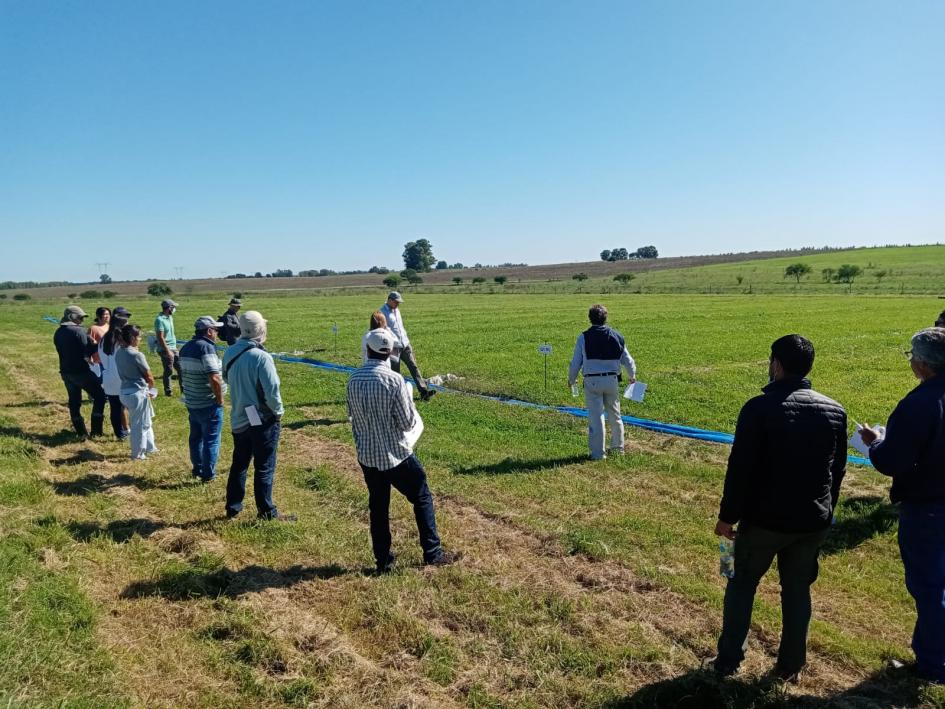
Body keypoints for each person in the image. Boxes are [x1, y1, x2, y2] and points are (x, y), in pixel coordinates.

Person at [709, 334, 847, 681]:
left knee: (740, 584)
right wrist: (827, 511)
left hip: (765, 521)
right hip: (813, 521)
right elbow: (837, 470)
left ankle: (728, 660)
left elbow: (740, 468)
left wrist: (727, 518)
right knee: (797, 590)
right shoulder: (835, 410)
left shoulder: (759, 408)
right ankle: (790, 665)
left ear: (776, 365)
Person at [859, 327, 945, 684]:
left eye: (911, 355)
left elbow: (892, 461)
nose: (910, 361)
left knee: (929, 587)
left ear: (923, 364)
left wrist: (876, 443)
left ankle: (933, 665)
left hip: (928, 508)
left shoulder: (918, 404)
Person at [347, 329, 458, 573]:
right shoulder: (395, 381)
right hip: (395, 455)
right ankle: (432, 552)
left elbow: (352, 417)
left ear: (368, 350)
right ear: (391, 353)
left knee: (378, 507)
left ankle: (383, 561)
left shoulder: (353, 378)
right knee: (421, 496)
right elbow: (408, 422)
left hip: (367, 455)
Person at [222, 311, 293, 521]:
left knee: (239, 464)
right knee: (264, 466)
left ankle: (233, 507)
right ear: (260, 330)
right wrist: (278, 413)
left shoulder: (230, 352)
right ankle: (266, 511)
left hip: (238, 418)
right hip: (263, 420)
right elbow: (272, 391)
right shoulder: (262, 357)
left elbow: (225, 376)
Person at [567, 304, 637, 459]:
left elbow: (576, 362)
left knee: (596, 416)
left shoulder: (583, 337)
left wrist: (571, 379)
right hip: (612, 379)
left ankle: (598, 453)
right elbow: (628, 360)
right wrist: (632, 376)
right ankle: (618, 448)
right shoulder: (617, 336)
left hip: (592, 381)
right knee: (615, 415)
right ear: (606, 318)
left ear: (589, 318)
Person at [180, 317, 227, 482]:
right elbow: (214, 377)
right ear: (208, 331)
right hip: (208, 402)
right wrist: (220, 399)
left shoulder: (186, 347)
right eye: (215, 330)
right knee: (211, 439)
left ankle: (197, 468)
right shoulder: (206, 348)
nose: (217, 333)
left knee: (196, 437)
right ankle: (208, 474)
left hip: (192, 401)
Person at [53, 305, 107, 438]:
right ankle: (96, 431)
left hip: (66, 372)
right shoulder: (79, 331)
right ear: (72, 317)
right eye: (80, 317)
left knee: (74, 401)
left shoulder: (58, 332)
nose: (82, 320)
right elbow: (86, 350)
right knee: (100, 396)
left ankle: (81, 432)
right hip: (81, 371)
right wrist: (93, 344)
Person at [379, 291, 435, 401]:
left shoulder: (397, 310)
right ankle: (397, 396)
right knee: (396, 372)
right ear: (390, 300)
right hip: (394, 347)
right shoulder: (382, 313)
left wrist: (406, 340)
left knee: (413, 366)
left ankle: (423, 392)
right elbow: (383, 330)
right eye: (396, 302)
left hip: (405, 344)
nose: (398, 304)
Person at [115, 324, 159, 460]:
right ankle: (138, 454)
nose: (140, 339)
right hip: (137, 393)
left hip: (125, 391)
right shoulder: (137, 354)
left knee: (146, 421)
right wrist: (152, 389)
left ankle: (151, 447)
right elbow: (149, 376)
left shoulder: (119, 352)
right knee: (138, 426)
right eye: (139, 336)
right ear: (133, 338)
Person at [98, 313, 130, 439]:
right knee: (126, 406)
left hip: (108, 377)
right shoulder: (121, 340)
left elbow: (102, 358)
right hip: (121, 377)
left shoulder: (104, 339)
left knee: (115, 408)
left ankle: (119, 433)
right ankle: (127, 429)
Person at [154, 299, 182, 396]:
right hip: (165, 349)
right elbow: (160, 337)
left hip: (173, 348)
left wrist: (174, 348)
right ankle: (168, 391)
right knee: (169, 370)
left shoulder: (170, 317)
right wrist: (168, 351)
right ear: (169, 308)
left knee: (180, 368)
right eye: (173, 307)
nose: (174, 309)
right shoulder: (159, 320)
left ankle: (184, 390)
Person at [88, 307, 111, 375]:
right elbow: (89, 345)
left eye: (108, 314)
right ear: (98, 316)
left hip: (109, 359)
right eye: (105, 314)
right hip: (99, 361)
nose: (107, 316)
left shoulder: (110, 326)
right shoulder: (93, 328)